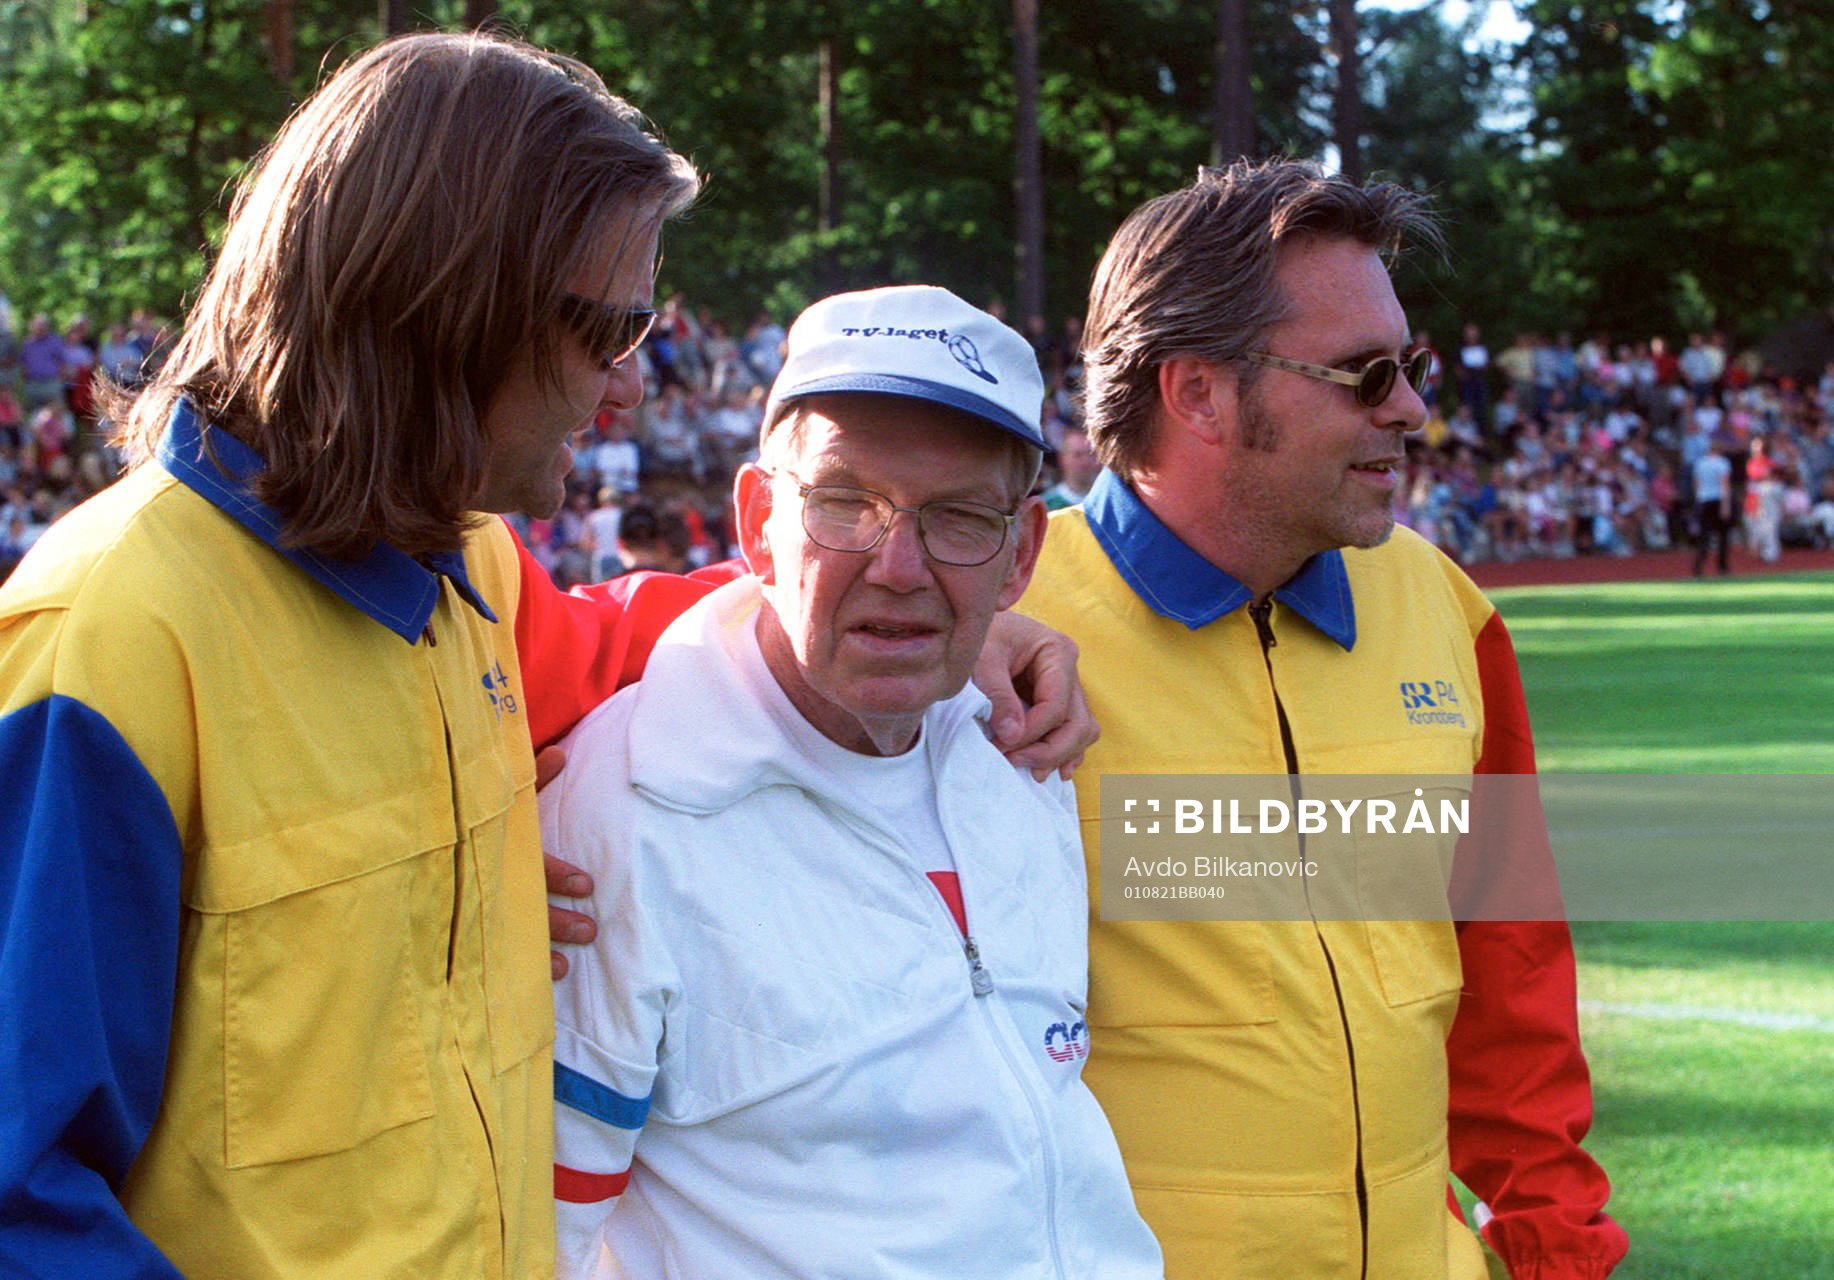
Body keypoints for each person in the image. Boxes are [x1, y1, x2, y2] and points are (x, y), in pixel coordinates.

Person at [0, 32, 1093, 1279]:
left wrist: (941, 611)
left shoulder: (465, 561)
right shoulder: (109, 639)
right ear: (443, 302)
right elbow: (21, 1198)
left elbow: (634, 637)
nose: (629, 387)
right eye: (606, 330)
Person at [1017, 159, 1627, 1278]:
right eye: (1365, 374)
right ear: (1197, 393)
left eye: (1411, 366)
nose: (1412, 409)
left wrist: (1554, 1248)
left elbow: (1512, 983)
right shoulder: (992, 625)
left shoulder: (1446, 609)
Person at [543, 285, 1160, 1279]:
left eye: (960, 518)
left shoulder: (1021, 746)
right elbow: (534, 1242)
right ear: (758, 522)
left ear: (1019, 557)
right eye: (844, 505)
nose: (899, 565)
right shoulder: (617, 818)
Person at [1691, 433, 1733, 575]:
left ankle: (1698, 567)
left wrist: (1698, 500)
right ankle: (1722, 567)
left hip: (1703, 500)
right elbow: (1724, 484)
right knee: (1722, 536)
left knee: (1704, 536)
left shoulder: (1700, 463)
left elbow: (1696, 484)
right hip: (1718, 500)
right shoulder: (1722, 463)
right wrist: (1726, 505)